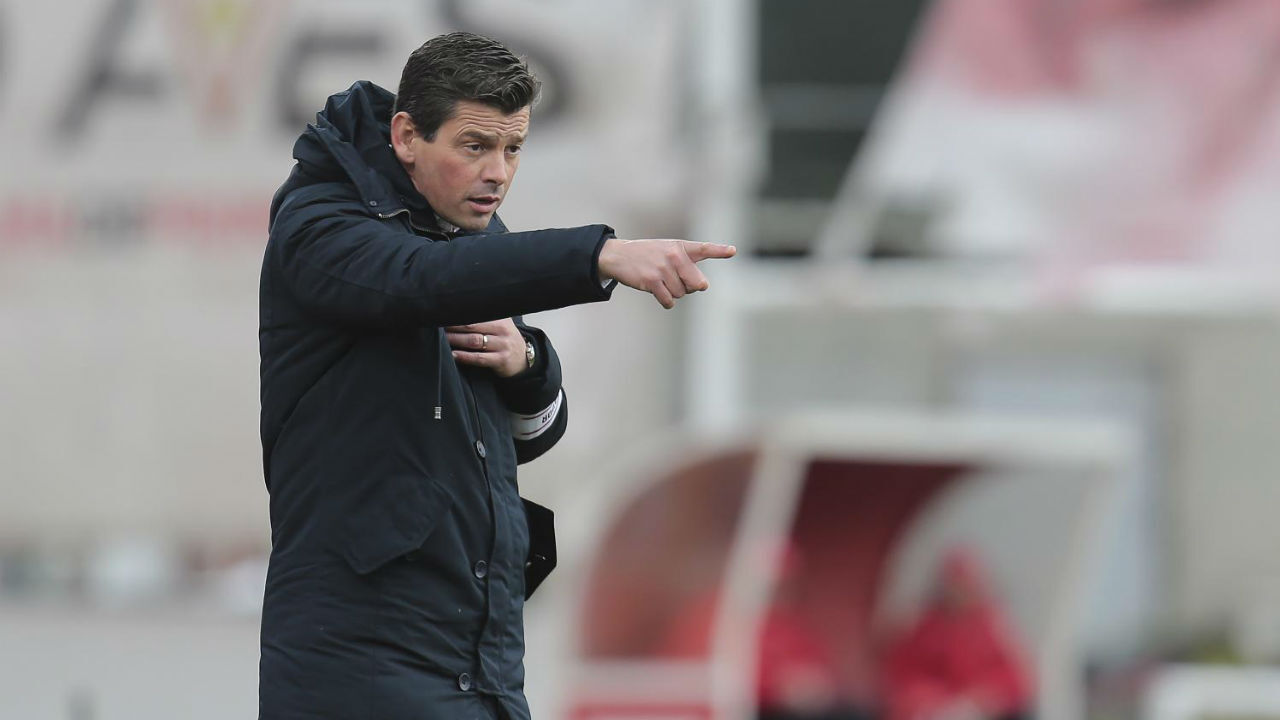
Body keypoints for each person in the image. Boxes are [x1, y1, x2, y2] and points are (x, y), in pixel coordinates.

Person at [257, 32, 735, 719]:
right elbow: (420, 280)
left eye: (513, 149)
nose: (498, 173)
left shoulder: (476, 240)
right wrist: (599, 255)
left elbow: (524, 436)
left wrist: (529, 364)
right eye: (475, 146)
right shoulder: (319, 225)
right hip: (359, 659)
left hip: (479, 659)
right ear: (406, 136)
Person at [881, 548, 1034, 720]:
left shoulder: (992, 628)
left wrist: (980, 697)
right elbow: (902, 671)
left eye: (965, 587)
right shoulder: (925, 626)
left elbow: (1015, 677)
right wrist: (930, 698)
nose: (959, 593)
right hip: (932, 706)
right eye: (953, 586)